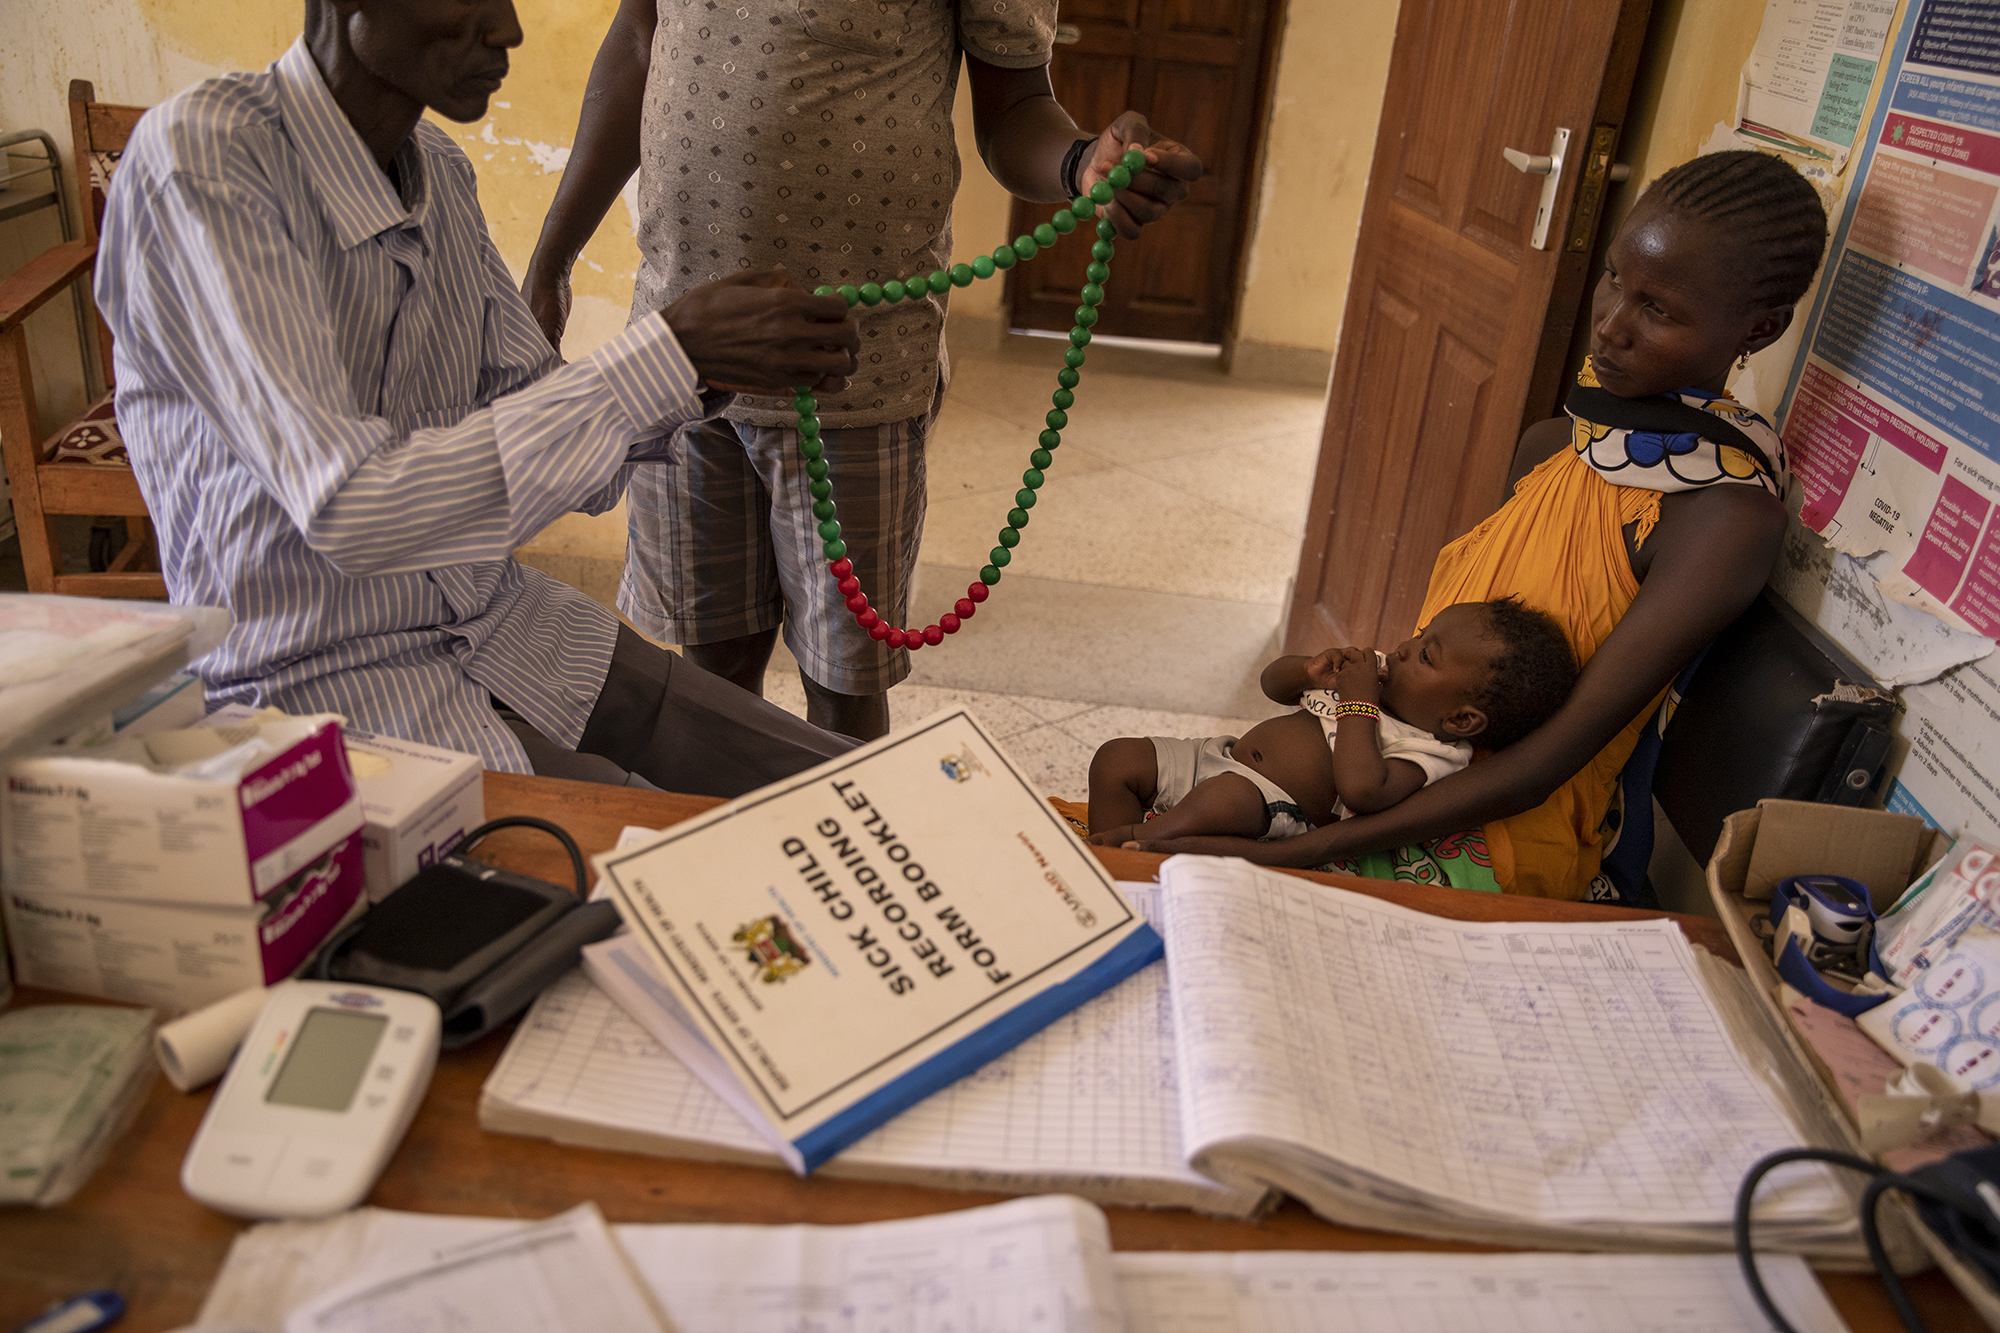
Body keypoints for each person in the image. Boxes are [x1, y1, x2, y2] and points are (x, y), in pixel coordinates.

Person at [93, 0, 870, 797]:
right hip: (322, 684)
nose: (508, 31)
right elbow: (353, 510)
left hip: (504, 622)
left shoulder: (437, 170)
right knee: (686, 863)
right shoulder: (205, 163)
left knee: (854, 788)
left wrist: (707, 367)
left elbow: (575, 454)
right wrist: (670, 353)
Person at [1126, 150, 1831, 899]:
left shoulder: (1722, 518)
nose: (1611, 326)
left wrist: (1297, 852)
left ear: (1760, 327)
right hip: (1387, 787)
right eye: (1616, 279)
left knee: (1178, 882)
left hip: (1498, 843)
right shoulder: (1552, 446)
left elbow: (1541, 766)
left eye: (1658, 310)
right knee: (1130, 814)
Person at [525, 0, 1203, 741]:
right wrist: (552, 260)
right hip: (684, 347)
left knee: (842, 685)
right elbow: (637, 42)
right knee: (710, 670)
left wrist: (1080, 164)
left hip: (857, 376)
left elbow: (1016, 111)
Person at [1085, 599, 1576, 846]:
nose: (1405, 646)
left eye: (1426, 654)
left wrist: (1358, 704)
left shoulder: (1431, 751)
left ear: (1463, 719)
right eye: (1421, 633)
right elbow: (1273, 686)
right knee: (1117, 757)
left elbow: (1363, 792)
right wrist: (1306, 669)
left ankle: (1139, 845)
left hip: (1264, 806)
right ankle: (1113, 860)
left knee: (1220, 798)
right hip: (1217, 755)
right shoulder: (1379, 675)